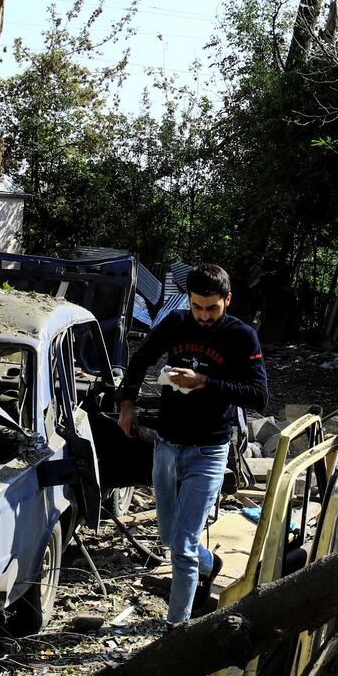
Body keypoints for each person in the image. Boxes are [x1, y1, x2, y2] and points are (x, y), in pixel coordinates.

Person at [119, 264, 268, 624]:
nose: (203, 316)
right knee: (170, 538)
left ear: (227, 300)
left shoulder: (241, 336)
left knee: (181, 548)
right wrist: (127, 405)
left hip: (209, 450)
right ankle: (209, 563)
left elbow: (259, 396)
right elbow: (139, 359)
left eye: (211, 308)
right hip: (167, 445)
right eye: (197, 307)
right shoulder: (175, 324)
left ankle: (175, 630)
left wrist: (204, 382)